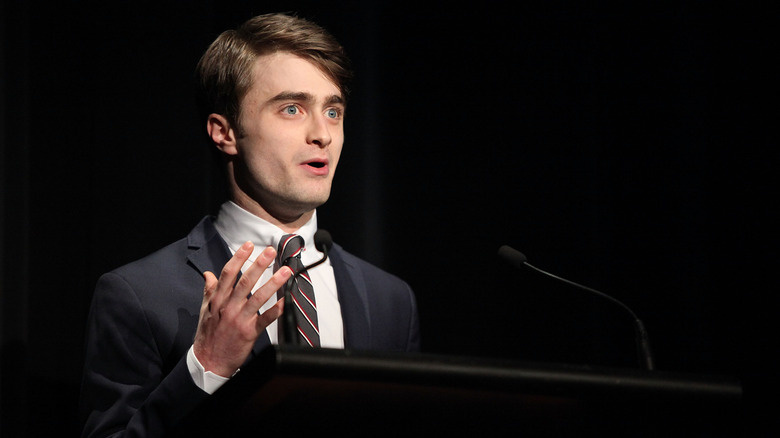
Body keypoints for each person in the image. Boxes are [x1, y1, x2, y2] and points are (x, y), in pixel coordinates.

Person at [79, 12, 420, 438]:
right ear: (225, 132)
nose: (323, 134)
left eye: (333, 111)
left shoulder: (391, 301)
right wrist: (206, 367)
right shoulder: (140, 295)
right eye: (292, 109)